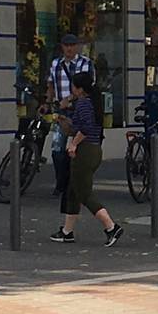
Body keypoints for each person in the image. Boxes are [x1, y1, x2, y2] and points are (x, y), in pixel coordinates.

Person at [50, 71, 124, 246]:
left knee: (83, 192)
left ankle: (111, 226)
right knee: (73, 191)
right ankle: (67, 232)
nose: (72, 90)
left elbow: (85, 128)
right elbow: (81, 126)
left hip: (85, 151)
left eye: (73, 87)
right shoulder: (92, 103)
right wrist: (63, 117)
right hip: (93, 149)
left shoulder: (83, 104)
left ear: (80, 89)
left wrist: (74, 144)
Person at [44, 32, 95, 221]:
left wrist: (71, 98)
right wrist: (47, 101)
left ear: (77, 47)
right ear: (62, 47)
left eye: (72, 45)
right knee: (58, 148)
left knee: (76, 149)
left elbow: (89, 88)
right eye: (66, 45)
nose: (69, 48)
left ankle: (75, 184)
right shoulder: (56, 64)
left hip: (79, 110)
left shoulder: (86, 64)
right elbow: (50, 85)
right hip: (62, 113)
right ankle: (62, 183)